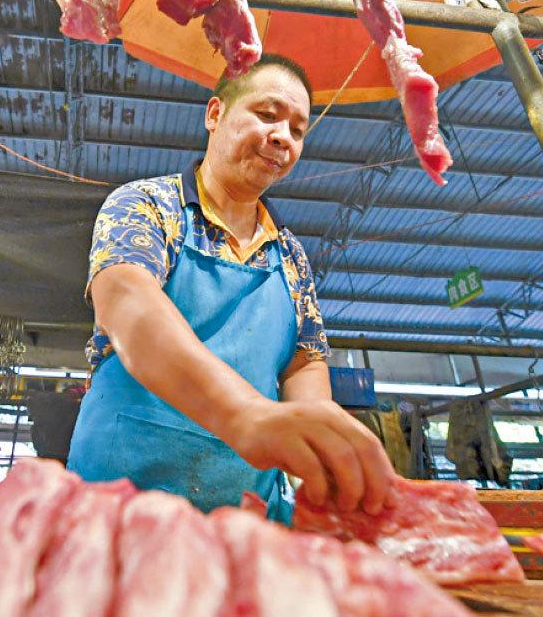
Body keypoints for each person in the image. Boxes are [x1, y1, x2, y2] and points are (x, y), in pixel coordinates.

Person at [67, 55, 398, 522]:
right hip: (118, 510)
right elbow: (125, 300)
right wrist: (245, 416)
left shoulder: (291, 256)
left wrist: (320, 456)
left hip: (247, 518)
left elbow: (304, 363)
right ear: (215, 114)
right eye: (267, 115)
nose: (283, 137)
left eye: (298, 130)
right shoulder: (147, 205)